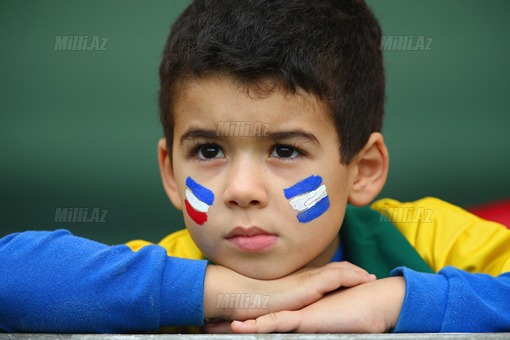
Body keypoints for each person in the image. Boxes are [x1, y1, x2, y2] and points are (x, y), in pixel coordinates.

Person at [1, 0, 509, 334]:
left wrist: (392, 302)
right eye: (208, 151)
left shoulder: (430, 239)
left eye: (285, 151)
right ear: (171, 172)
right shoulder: (163, 272)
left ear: (363, 169)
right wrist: (230, 296)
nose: (241, 190)